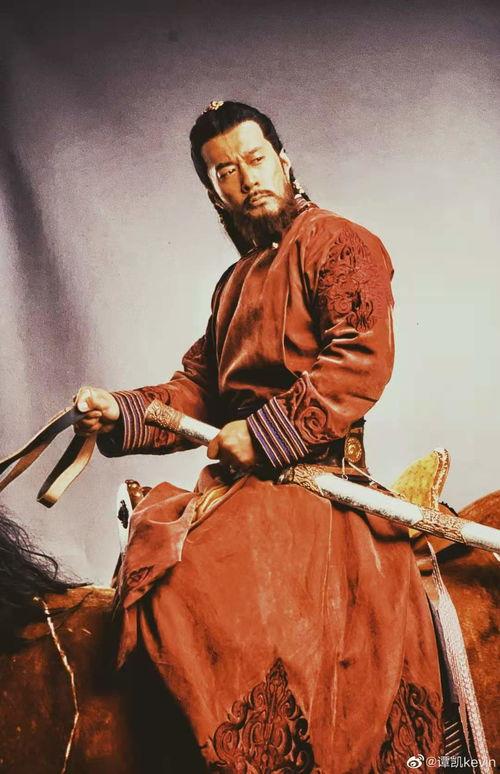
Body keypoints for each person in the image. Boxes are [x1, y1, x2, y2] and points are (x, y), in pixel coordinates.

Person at [74, 101, 443, 772]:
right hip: (244, 489)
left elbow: (358, 358)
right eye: (225, 171)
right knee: (161, 567)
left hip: (318, 485)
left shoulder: (339, 242)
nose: (246, 179)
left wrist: (266, 435)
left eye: (255, 159)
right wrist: (118, 411)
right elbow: (197, 390)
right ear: (213, 192)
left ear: (284, 161)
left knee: (190, 581)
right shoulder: (234, 284)